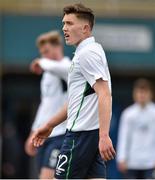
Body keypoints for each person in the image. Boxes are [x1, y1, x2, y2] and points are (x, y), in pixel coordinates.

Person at [31, 3, 115, 179]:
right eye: (63, 23)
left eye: (69, 23)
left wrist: (104, 135)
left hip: (79, 136)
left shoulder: (87, 54)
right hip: (89, 136)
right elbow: (76, 102)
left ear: (85, 28)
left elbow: (105, 93)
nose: (64, 28)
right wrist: (49, 125)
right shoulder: (91, 51)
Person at [25, 31, 71, 179]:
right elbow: (45, 105)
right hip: (44, 135)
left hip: (60, 134)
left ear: (58, 47)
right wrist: (33, 132)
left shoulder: (68, 67)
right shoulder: (47, 74)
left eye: (46, 52)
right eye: (41, 53)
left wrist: (40, 62)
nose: (44, 55)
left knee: (48, 177)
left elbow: (57, 67)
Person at [117, 79, 155, 179]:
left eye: (145, 92)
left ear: (150, 94)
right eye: (139, 92)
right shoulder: (128, 114)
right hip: (132, 163)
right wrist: (121, 158)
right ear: (135, 94)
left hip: (150, 163)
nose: (142, 95)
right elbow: (123, 137)